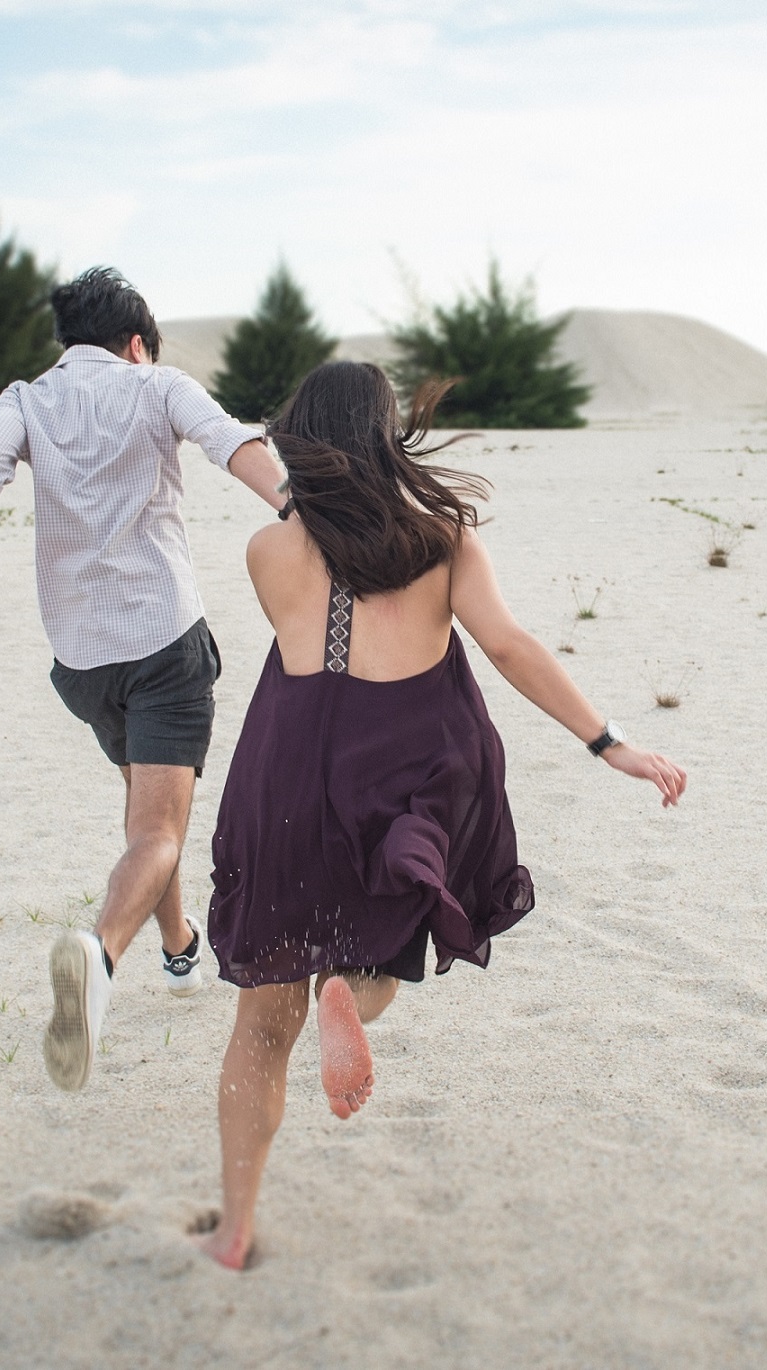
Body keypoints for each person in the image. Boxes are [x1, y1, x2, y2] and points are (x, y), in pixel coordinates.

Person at [193, 361, 688, 1270]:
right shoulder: (443, 538)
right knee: (381, 944)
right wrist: (607, 741)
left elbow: (311, 624)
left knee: (261, 1026)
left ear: (304, 441)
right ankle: (354, 990)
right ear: (387, 435)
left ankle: (234, 1227)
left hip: (286, 784)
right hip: (401, 780)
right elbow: (506, 644)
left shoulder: (269, 551)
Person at [0, 266, 287, 1093]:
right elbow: (230, 440)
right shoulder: (155, 382)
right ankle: (100, 956)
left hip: (82, 656)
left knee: (144, 810)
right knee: (160, 830)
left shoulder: (26, 398)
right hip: (163, 639)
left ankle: (180, 956)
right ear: (136, 342)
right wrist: (296, 506)